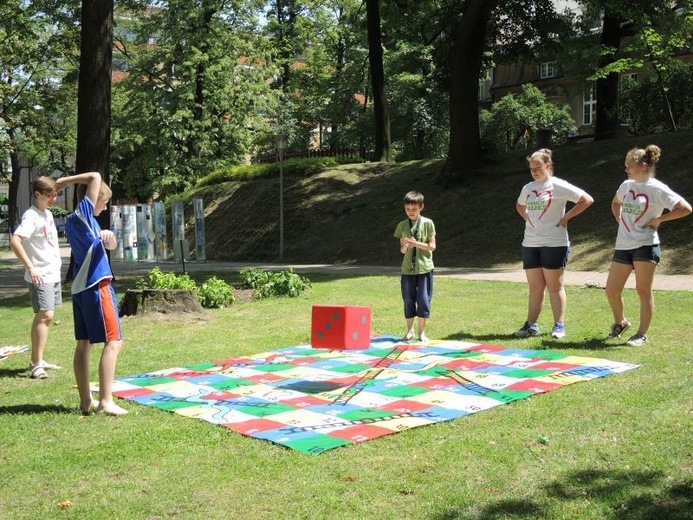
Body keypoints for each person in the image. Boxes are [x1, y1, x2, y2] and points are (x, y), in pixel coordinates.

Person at [605, 145, 691, 347]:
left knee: (643, 290)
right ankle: (621, 323)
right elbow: (615, 203)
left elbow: (685, 208)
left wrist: (660, 219)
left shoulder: (656, 188)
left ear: (643, 165)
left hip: (646, 245)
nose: (626, 169)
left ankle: (641, 334)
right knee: (611, 290)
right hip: (623, 245)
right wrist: (620, 220)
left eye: (630, 165)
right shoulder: (626, 186)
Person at [62, 171, 127, 416]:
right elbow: (95, 176)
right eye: (104, 200)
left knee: (84, 343)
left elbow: (109, 245)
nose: (106, 205)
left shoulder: (80, 221)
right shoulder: (83, 215)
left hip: (80, 289)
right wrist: (64, 182)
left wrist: (110, 240)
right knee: (114, 341)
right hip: (96, 286)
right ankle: (106, 402)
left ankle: (85, 401)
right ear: (93, 198)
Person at [514, 149, 594, 339]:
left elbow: (586, 200)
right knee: (535, 287)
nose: (534, 172)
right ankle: (531, 325)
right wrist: (528, 219)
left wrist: (566, 218)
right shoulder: (528, 188)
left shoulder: (558, 185)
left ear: (548, 166)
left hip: (554, 242)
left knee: (554, 286)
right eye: (531, 168)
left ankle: (559, 325)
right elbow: (520, 205)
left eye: (538, 167)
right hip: (531, 242)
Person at [10, 177, 63, 379]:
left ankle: (39, 359)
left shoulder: (47, 214)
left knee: (47, 318)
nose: (53, 199)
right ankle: (35, 364)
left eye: (55, 195)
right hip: (40, 275)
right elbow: (15, 241)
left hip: (52, 272)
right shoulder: (30, 216)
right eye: (49, 195)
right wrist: (31, 267)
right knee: (45, 315)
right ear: (37, 194)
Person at [394, 190, 436, 342]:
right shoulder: (401, 225)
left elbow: (432, 246)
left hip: (424, 268)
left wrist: (416, 243)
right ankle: (409, 331)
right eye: (407, 209)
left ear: (421, 207)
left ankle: (422, 333)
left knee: (424, 300)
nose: (410, 212)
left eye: (414, 209)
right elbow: (402, 251)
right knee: (408, 299)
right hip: (407, 270)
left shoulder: (428, 223)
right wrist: (406, 245)